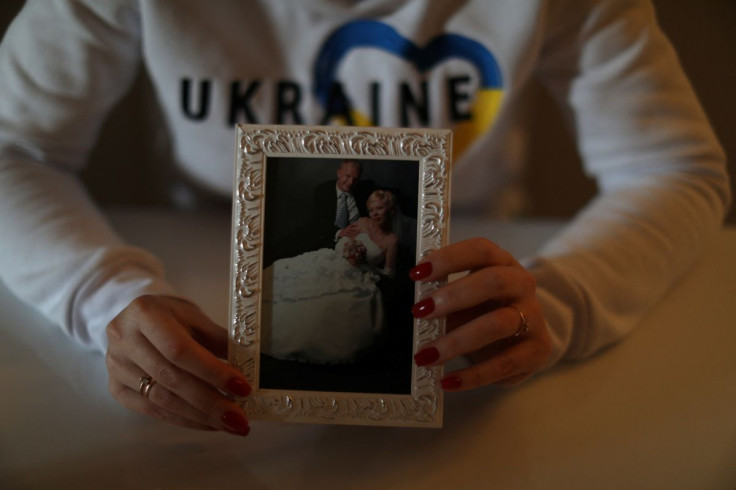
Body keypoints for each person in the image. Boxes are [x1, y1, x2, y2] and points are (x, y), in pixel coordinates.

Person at [0, 1, 729, 437]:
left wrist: (562, 295)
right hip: (209, 306)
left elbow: (675, 166)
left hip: (465, 334)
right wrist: (104, 297)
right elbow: (12, 144)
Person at [261, 190, 399, 365]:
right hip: (334, 260)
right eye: (371, 209)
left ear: (390, 209)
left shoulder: (391, 240)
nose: (375, 213)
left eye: (379, 208)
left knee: (332, 301)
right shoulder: (363, 222)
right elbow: (343, 239)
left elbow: (389, 273)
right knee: (287, 273)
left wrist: (365, 264)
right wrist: (348, 249)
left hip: (359, 273)